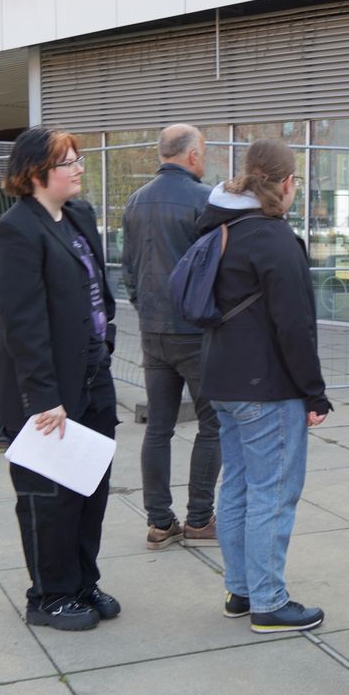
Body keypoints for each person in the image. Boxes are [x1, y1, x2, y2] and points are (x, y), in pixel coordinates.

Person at [196, 138, 331, 635]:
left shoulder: (221, 227)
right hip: (266, 387)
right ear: (289, 182)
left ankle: (242, 590)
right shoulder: (274, 239)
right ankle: (269, 602)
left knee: (238, 487)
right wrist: (314, 392)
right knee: (272, 494)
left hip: (223, 380)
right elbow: (295, 327)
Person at [0, 126, 120, 633]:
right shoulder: (17, 230)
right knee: (50, 498)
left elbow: (97, 290)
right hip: (47, 389)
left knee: (91, 489)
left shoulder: (78, 216)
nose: (79, 168)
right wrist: (45, 397)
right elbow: (23, 323)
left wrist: (105, 342)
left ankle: (83, 582)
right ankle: (49, 594)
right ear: (36, 172)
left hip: (92, 374)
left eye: (77, 158)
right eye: (68, 162)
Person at [122, 124, 223, 551]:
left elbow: (128, 266)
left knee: (158, 428)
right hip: (196, 331)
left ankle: (160, 522)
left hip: (153, 329)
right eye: (204, 152)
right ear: (193, 155)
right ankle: (199, 519)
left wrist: (144, 306)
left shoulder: (136, 200)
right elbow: (218, 267)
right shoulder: (206, 199)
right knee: (212, 424)